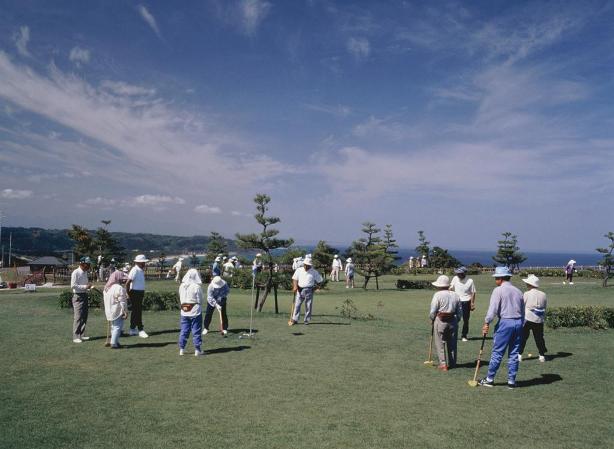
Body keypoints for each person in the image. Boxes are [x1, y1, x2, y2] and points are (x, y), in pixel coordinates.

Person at [479, 266, 525, 389]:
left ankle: (489, 379)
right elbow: (523, 311)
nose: (495, 280)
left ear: (500, 278)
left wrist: (487, 322)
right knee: (514, 353)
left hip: (505, 322)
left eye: (496, 278)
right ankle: (511, 381)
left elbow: (492, 309)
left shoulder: (498, 290)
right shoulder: (518, 291)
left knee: (497, 352)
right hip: (519, 323)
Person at [429, 275, 461, 370]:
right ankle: (452, 363)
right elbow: (459, 311)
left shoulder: (437, 295)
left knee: (440, 343)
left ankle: (443, 364)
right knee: (452, 343)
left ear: (439, 285)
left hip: (440, 320)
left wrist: (432, 319)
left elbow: (433, 311)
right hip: (453, 320)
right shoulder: (455, 295)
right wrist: (457, 320)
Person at [518, 274, 548, 363]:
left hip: (527, 318)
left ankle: (519, 355)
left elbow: (522, 306)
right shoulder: (543, 294)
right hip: (539, 319)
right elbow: (545, 307)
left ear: (530, 284)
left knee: (523, 337)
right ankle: (542, 355)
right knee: (539, 338)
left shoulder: (526, 293)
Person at [289, 256, 323, 326]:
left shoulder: (314, 272)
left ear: (310, 265)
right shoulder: (299, 270)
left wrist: (316, 287)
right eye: (305, 265)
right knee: (297, 305)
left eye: (307, 265)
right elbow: (295, 279)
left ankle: (306, 320)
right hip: (299, 289)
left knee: (308, 306)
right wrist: (295, 286)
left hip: (309, 290)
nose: (306, 266)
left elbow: (320, 280)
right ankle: (295, 319)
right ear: (303, 264)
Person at [178, 268, 204, 356]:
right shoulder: (196, 287)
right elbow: (200, 300)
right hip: (195, 310)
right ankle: (197, 349)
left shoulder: (182, 286)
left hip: (184, 310)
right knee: (196, 330)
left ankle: (182, 349)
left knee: (184, 330)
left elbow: (181, 298)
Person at [103, 268, 129, 349]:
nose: (122, 280)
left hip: (108, 310)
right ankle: (114, 343)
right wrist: (125, 311)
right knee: (118, 326)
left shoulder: (106, 288)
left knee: (113, 327)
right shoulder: (119, 288)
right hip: (117, 310)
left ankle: (115, 342)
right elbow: (122, 301)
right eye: (121, 278)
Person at [449, 266, 477, 342]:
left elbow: (473, 292)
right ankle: (452, 334)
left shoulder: (470, 281)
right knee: (453, 319)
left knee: (465, 320)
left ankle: (464, 335)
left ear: (464, 273)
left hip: (466, 302)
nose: (458, 275)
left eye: (460, 273)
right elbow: (451, 287)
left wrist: (472, 303)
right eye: (457, 273)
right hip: (456, 301)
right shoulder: (455, 278)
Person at [70, 256, 93, 343]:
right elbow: (73, 285)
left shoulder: (85, 272)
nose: (88, 266)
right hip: (78, 296)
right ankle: (76, 336)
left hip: (84, 294)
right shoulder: (75, 272)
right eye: (87, 264)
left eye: (89, 264)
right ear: (82, 264)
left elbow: (85, 284)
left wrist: (88, 287)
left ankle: (82, 335)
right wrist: (85, 286)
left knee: (84, 316)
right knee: (78, 317)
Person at [126, 254, 149, 338]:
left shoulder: (140, 270)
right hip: (135, 293)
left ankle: (132, 329)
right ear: (139, 262)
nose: (144, 264)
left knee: (135, 312)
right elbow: (128, 282)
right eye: (143, 262)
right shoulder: (135, 270)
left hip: (139, 293)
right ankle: (140, 330)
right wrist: (128, 293)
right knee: (137, 312)